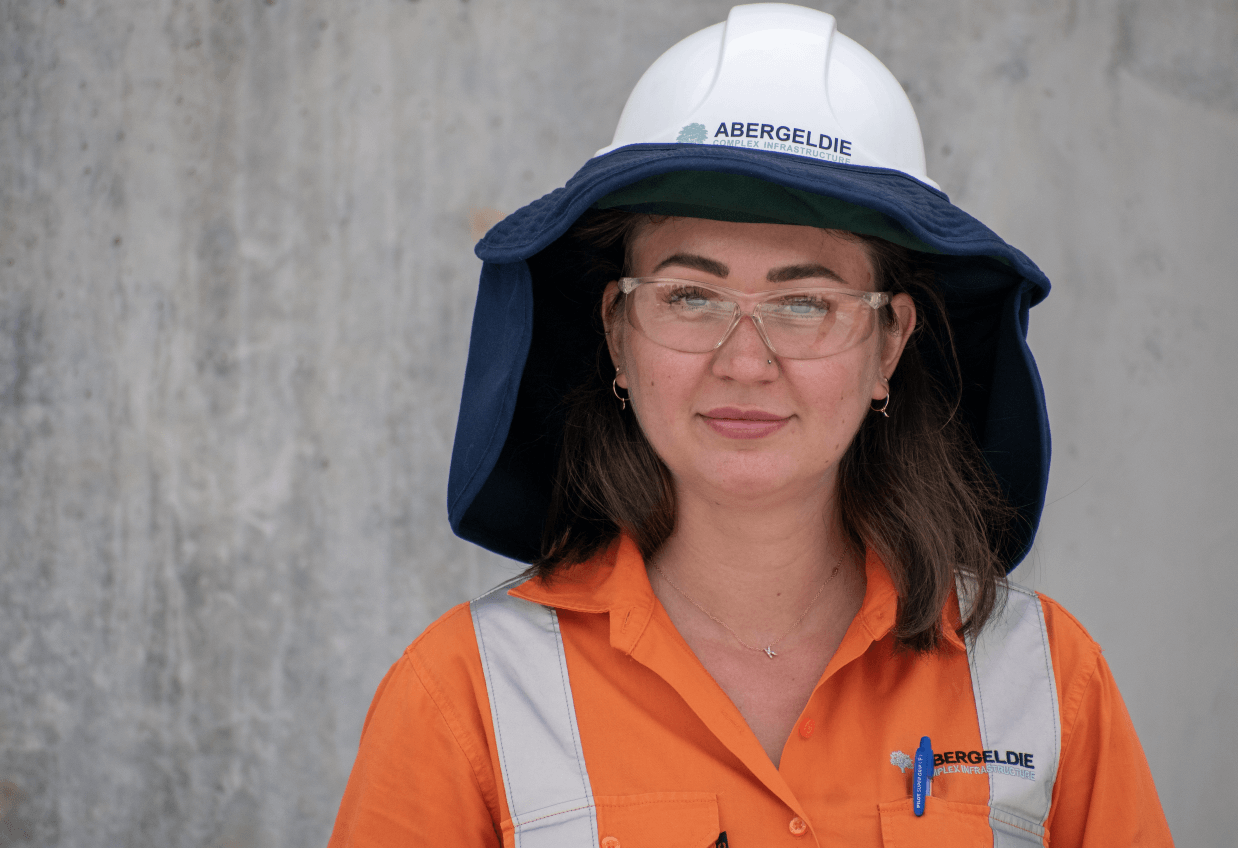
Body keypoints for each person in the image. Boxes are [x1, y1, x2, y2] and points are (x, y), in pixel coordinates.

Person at [328, 5, 1173, 846]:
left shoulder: (1046, 681)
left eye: (805, 302)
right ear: (618, 335)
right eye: (691, 296)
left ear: (890, 345)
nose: (744, 362)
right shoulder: (465, 693)